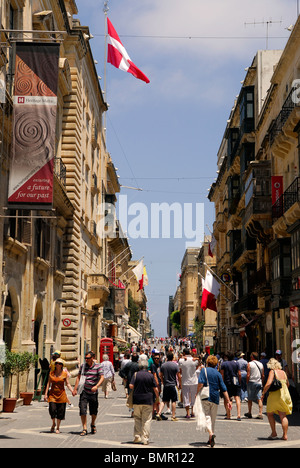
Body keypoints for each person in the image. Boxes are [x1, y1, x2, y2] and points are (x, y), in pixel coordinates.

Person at [197, 355, 231, 448]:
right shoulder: (218, 374)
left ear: (207, 362)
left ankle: (211, 434)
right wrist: (228, 401)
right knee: (213, 419)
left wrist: (197, 393)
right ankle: (210, 438)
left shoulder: (203, 371)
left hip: (205, 396)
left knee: (206, 416)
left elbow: (200, 383)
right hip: (215, 397)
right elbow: (223, 388)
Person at [73, 351, 104, 436]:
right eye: (85, 358)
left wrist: (97, 386)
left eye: (88, 358)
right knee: (82, 410)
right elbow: (78, 377)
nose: (86, 360)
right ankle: (84, 428)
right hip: (84, 391)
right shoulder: (83, 366)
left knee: (93, 411)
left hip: (93, 392)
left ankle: (93, 423)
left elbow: (102, 377)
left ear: (92, 358)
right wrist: (75, 389)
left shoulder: (98, 366)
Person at [129, 359, 159, 445]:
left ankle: (137, 436)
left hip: (137, 400)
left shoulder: (135, 374)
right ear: (146, 366)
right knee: (147, 420)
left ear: (139, 366)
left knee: (137, 418)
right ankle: (145, 438)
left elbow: (131, 386)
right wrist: (157, 397)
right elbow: (155, 388)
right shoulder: (150, 375)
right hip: (148, 400)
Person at [262, 358, 293, 441]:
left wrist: (263, 393)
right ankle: (285, 435)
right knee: (283, 415)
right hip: (285, 394)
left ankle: (274, 433)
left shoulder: (272, 372)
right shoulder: (283, 372)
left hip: (275, 395)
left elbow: (268, 383)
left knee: (269, 413)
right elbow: (287, 384)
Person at [44, 358, 74, 434]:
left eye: (60, 364)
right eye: (57, 363)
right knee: (52, 410)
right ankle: (53, 423)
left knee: (60, 412)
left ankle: (57, 427)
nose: (58, 364)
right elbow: (48, 384)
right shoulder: (51, 373)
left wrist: (72, 391)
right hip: (52, 395)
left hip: (61, 395)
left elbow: (67, 384)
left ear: (62, 365)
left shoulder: (64, 374)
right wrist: (45, 394)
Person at [157, 352, 181, 422]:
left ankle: (159, 413)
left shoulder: (163, 365)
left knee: (164, 400)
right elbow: (179, 376)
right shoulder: (175, 365)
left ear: (167, 357)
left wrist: (162, 381)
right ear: (172, 357)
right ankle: (173, 416)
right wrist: (180, 384)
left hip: (166, 385)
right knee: (173, 401)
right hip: (173, 384)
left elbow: (160, 374)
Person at [179, 348, 199, 419]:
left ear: (184, 353)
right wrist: (196, 358)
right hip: (194, 381)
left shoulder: (182, 360)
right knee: (193, 396)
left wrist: (181, 357)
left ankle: (187, 413)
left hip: (185, 381)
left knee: (186, 397)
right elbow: (198, 364)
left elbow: (180, 366)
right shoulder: (194, 360)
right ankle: (192, 411)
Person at [221, 352, 242, 420]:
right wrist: (239, 381)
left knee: (227, 398)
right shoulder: (236, 363)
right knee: (237, 397)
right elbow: (239, 374)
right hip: (235, 381)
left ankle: (228, 414)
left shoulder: (223, 364)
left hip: (227, 382)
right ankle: (239, 415)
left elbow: (222, 375)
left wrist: (222, 383)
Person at [245, 352, 264, 420]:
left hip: (251, 382)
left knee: (250, 399)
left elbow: (248, 374)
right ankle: (260, 413)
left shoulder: (249, 364)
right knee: (259, 398)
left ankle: (249, 412)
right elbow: (263, 375)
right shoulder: (261, 364)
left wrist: (247, 382)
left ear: (252, 357)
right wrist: (262, 382)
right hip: (259, 382)